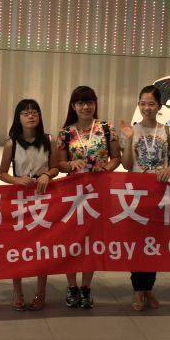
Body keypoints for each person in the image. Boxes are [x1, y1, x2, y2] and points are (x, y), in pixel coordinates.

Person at [119, 86, 170, 312]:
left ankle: (148, 288)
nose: (146, 108)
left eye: (151, 104)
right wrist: (129, 140)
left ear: (159, 106)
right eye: (143, 103)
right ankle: (138, 290)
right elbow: (126, 164)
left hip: (160, 194)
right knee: (138, 243)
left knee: (154, 243)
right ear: (138, 105)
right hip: (137, 195)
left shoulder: (167, 131)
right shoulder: (132, 130)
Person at [55, 86, 121, 309]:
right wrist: (70, 164)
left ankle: (86, 287)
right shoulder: (66, 133)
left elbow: (116, 158)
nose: (86, 107)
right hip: (73, 194)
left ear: (95, 104)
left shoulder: (107, 128)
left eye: (89, 102)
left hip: (99, 192)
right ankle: (72, 286)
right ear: (73, 106)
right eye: (81, 103)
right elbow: (59, 163)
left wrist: (106, 168)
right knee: (72, 240)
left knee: (92, 241)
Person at [0, 99, 58, 311]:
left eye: (34, 112)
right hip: (20, 200)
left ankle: (41, 292)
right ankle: (18, 291)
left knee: (43, 247)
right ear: (18, 118)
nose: (31, 116)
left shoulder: (49, 140)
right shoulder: (11, 143)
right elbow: (2, 173)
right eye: (25, 113)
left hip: (43, 199)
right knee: (18, 246)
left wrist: (47, 174)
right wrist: (17, 180)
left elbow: (55, 167)